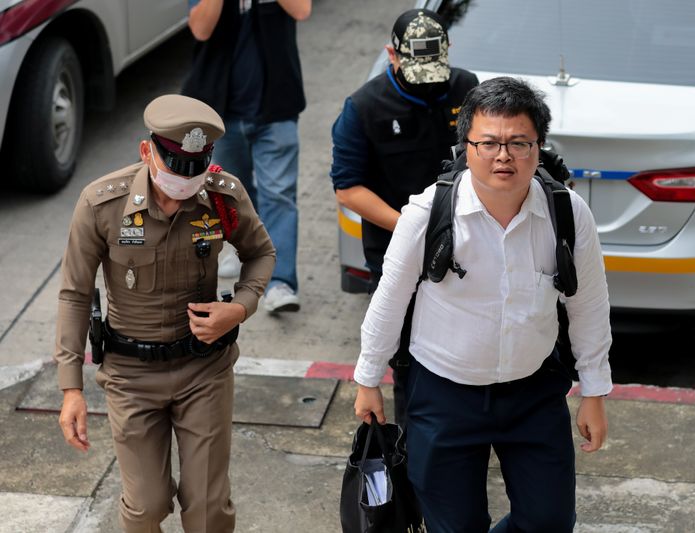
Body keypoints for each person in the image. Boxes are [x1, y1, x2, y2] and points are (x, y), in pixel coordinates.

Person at [353, 77, 613, 532]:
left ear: (538, 146)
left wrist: (594, 391)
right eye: (489, 142)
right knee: (455, 525)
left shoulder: (568, 214)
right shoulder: (427, 213)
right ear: (466, 146)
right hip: (443, 394)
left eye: (519, 142)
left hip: (533, 391)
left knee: (549, 521)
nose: (503, 156)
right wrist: (368, 378)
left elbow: (588, 304)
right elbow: (389, 299)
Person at [55, 94, 276, 533]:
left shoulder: (221, 197)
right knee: (146, 506)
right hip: (131, 377)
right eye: (174, 167)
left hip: (204, 371)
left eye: (195, 169)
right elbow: (74, 294)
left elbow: (261, 254)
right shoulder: (102, 205)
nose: (184, 181)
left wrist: (238, 309)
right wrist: (70, 389)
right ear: (146, 151)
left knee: (209, 509)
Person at [330, 8, 478, 426]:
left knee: (467, 352)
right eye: (417, 70)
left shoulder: (467, 88)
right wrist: (415, 229)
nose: (430, 81)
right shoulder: (363, 107)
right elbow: (347, 187)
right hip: (398, 253)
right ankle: (416, 454)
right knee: (410, 359)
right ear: (391, 56)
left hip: (470, 247)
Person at [183, 0, 311, 313]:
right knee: (227, 194)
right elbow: (200, 28)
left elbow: (301, 9)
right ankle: (242, 250)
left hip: (276, 107)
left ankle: (279, 282)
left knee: (278, 195)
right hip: (221, 110)